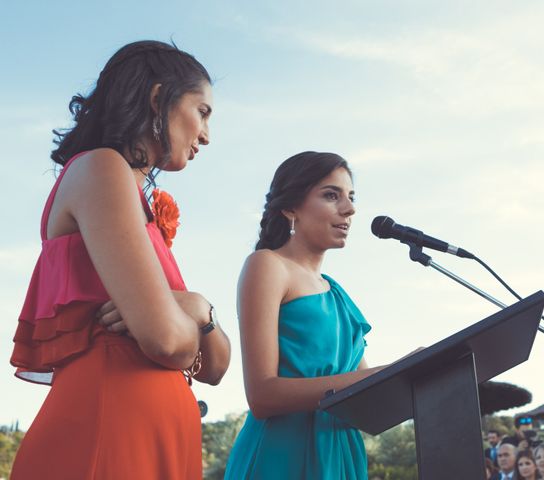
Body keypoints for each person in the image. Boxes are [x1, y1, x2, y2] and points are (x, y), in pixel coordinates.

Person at [9, 40, 231, 479]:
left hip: (152, 436)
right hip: (110, 434)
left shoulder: (133, 198)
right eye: (202, 112)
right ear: (157, 97)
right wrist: (183, 324)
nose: (207, 134)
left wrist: (198, 308)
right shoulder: (102, 168)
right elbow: (168, 342)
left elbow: (216, 369)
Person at [223, 152, 382, 479]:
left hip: (340, 454)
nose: (349, 209)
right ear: (290, 207)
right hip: (284, 455)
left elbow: (367, 395)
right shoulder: (267, 265)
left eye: (351, 197)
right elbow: (262, 395)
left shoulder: (337, 293)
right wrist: (391, 372)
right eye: (331, 195)